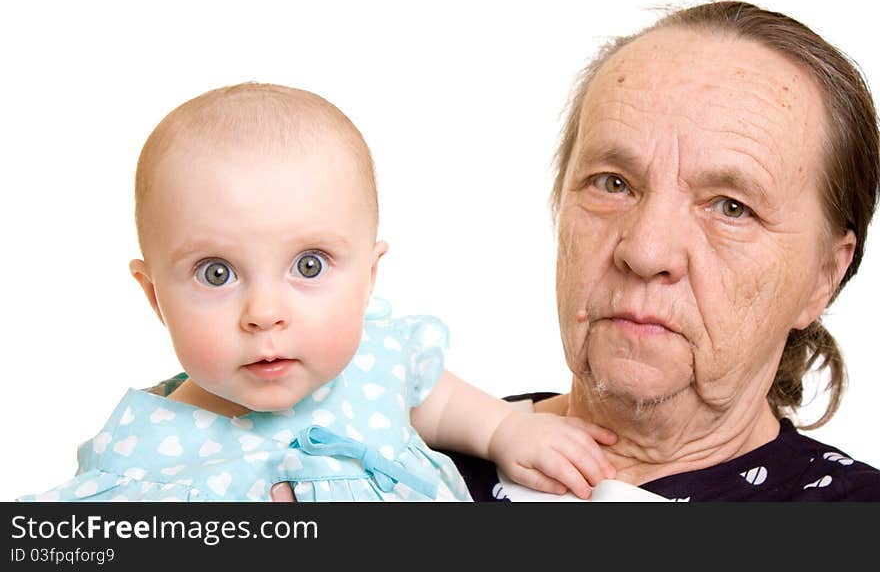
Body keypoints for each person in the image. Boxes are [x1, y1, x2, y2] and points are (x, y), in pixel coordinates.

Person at [18, 83, 617, 502]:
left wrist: (507, 432)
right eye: (216, 273)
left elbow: (438, 402)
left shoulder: (378, 365)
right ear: (154, 297)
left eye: (308, 265)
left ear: (369, 276)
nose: (265, 314)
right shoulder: (142, 448)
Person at [449, 0, 880, 501]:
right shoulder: (391, 457)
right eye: (613, 183)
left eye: (731, 207)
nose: (647, 252)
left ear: (823, 275)